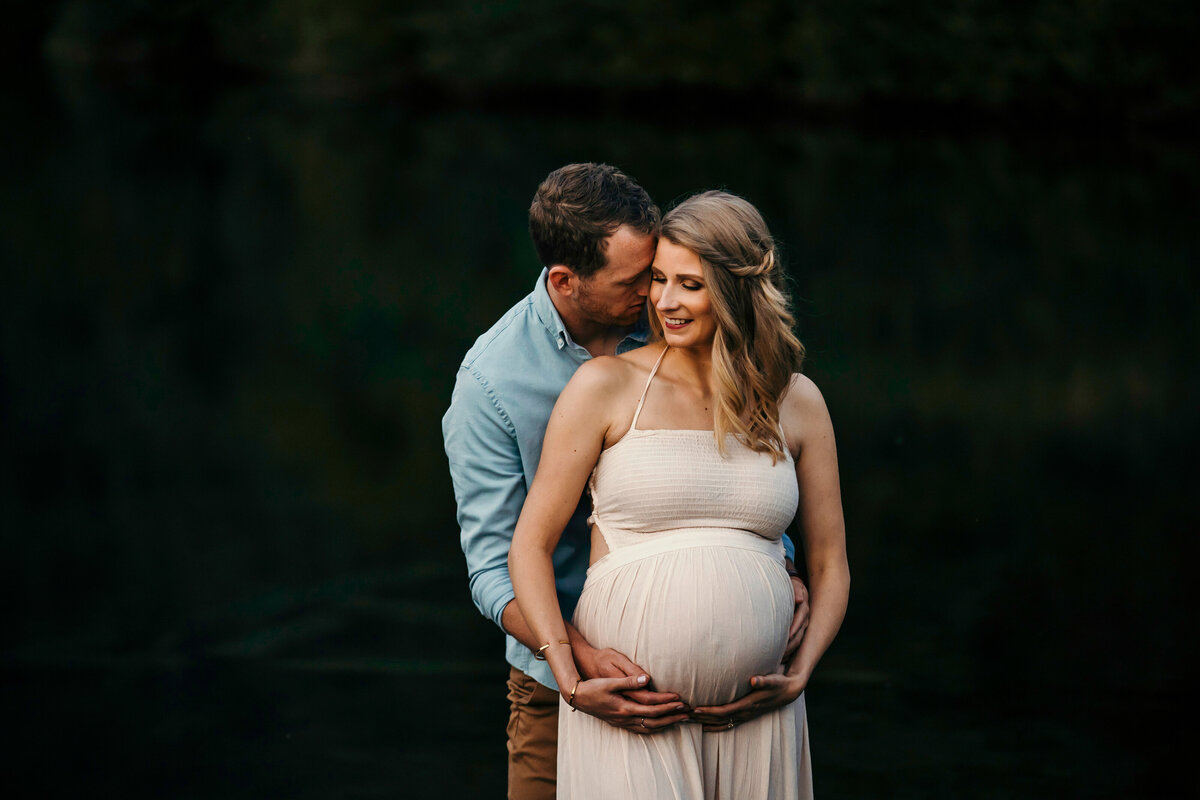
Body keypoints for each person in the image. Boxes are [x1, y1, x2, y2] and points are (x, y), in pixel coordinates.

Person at [443, 166, 812, 799]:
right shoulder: (493, 385)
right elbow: (490, 569)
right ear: (566, 281)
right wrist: (577, 659)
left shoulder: (681, 323)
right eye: (639, 279)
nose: (657, 293)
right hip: (558, 673)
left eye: (666, 272)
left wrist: (777, 566)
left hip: (736, 701)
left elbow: (736, 466)